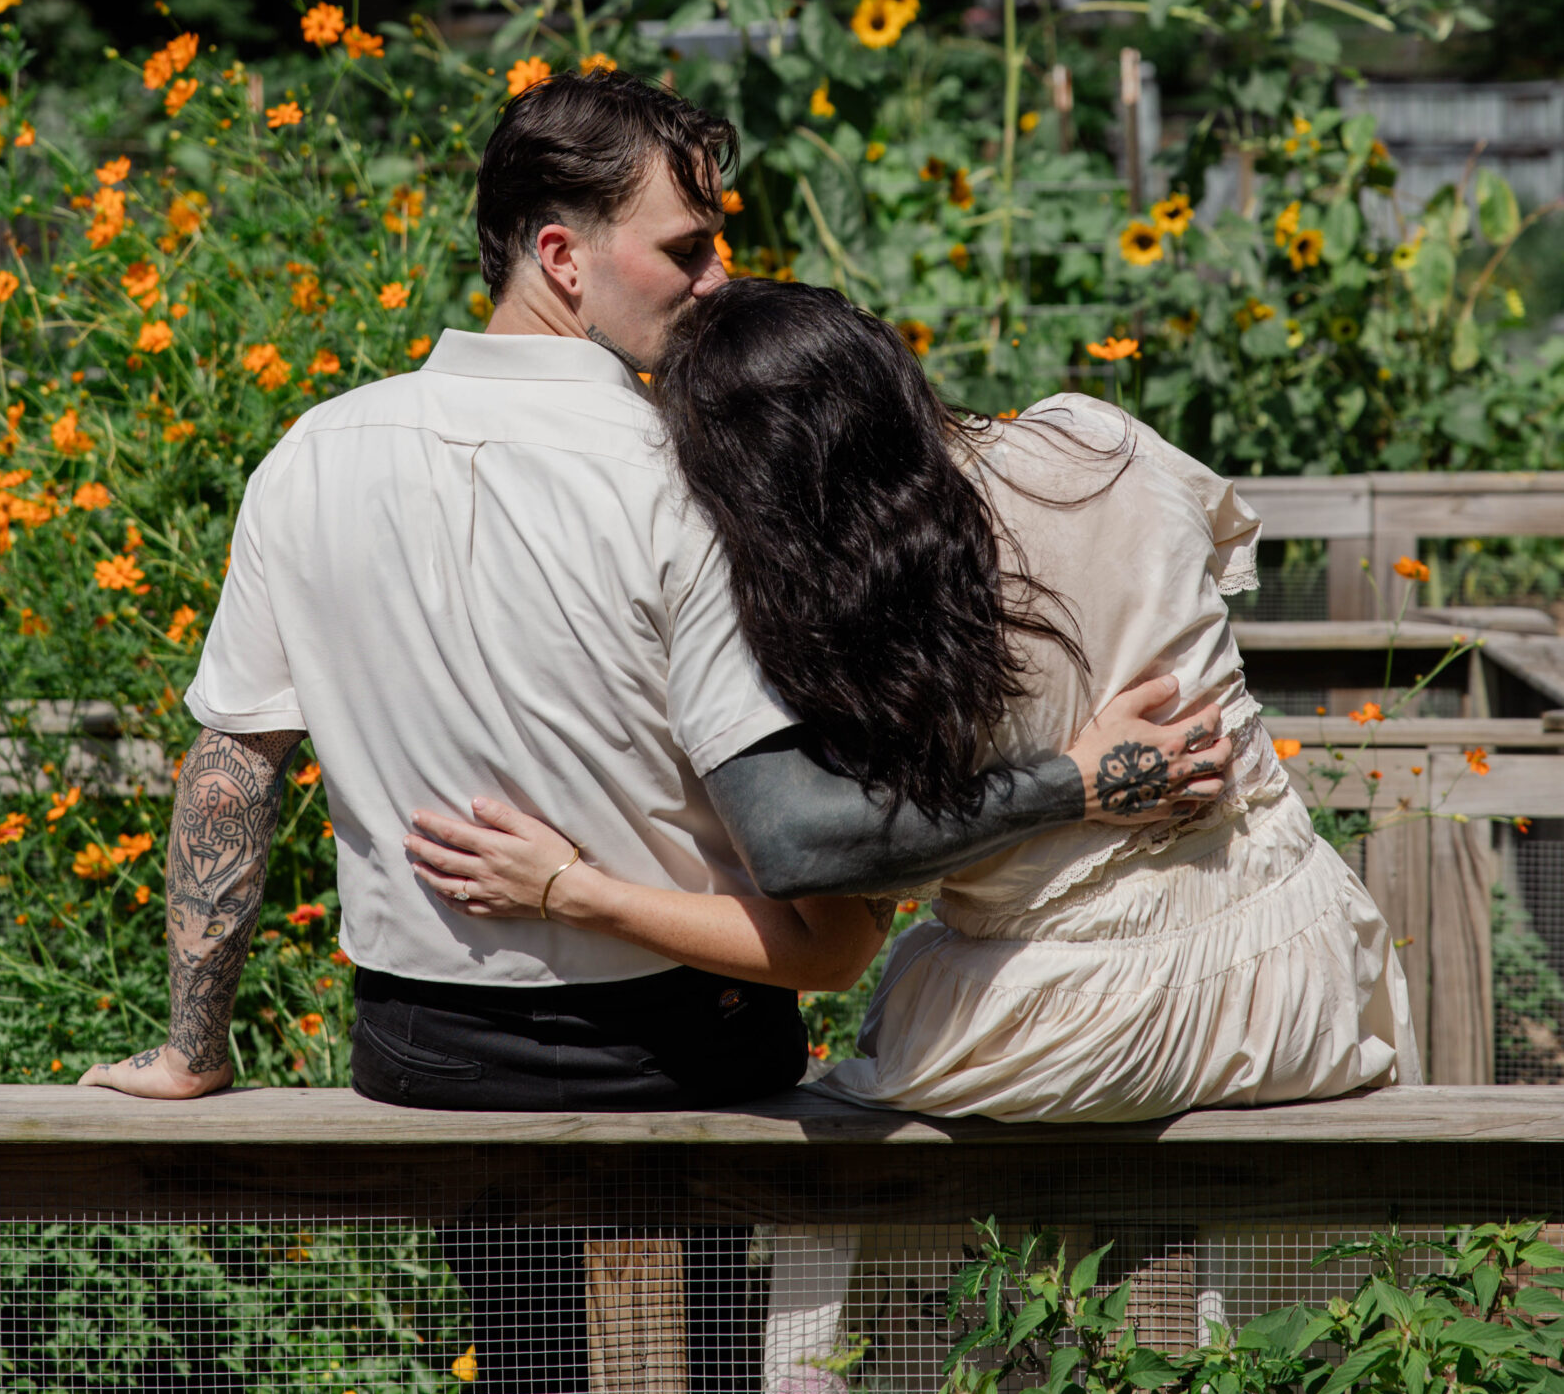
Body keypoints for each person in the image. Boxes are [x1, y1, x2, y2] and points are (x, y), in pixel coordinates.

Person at [79, 74, 1230, 1394]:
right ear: (557, 256)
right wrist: (1073, 775)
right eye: (685, 246)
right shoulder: (682, 480)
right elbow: (808, 848)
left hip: (426, 1059)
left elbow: (231, 770)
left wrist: (195, 1044)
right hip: (685, 1055)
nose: (715, 273)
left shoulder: (310, 452)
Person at [405, 275, 1419, 1123]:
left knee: (818, 1177)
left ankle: (808, 1374)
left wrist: (1072, 786)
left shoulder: (861, 625)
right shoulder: (1101, 439)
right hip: (1307, 978)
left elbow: (813, 880)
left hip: (1068, 1021)